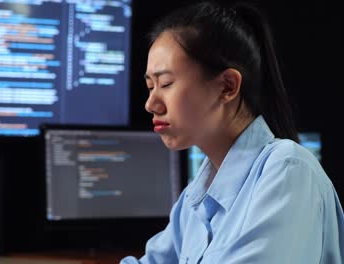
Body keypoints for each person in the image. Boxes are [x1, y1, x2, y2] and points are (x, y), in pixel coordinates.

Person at [121, 1, 344, 263]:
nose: (151, 103)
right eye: (150, 86)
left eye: (166, 83)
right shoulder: (194, 200)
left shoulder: (288, 170)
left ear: (227, 86)